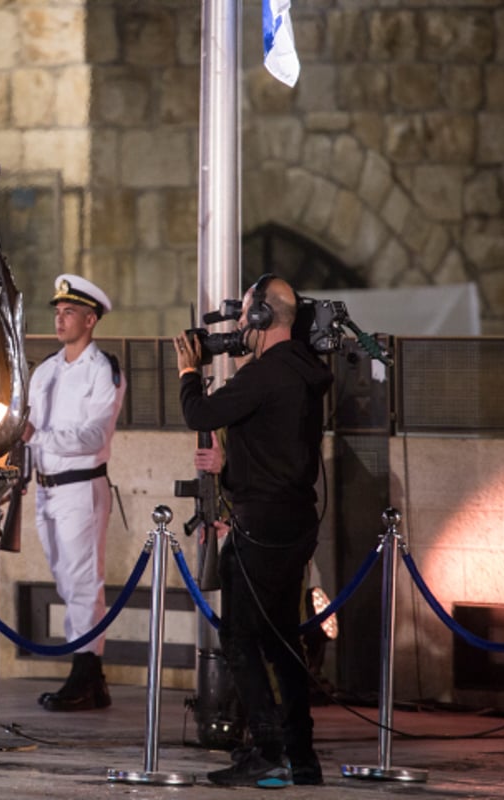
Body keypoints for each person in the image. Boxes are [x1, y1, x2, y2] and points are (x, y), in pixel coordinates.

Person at [174, 273, 332, 788]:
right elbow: (273, 444)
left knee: (240, 637)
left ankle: (264, 749)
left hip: (261, 524)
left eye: (245, 315)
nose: (239, 325)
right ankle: (301, 756)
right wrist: (230, 465)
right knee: (283, 640)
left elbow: (199, 410)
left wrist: (188, 369)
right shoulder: (305, 369)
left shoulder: (265, 375)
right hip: (294, 519)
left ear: (264, 317)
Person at [22, 274, 126, 712]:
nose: (60, 319)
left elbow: (92, 435)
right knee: (66, 581)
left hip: (81, 487)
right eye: (58, 312)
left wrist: (38, 437)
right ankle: (89, 674)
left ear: (90, 319)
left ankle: (87, 673)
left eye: (69, 313)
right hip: (46, 487)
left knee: (83, 583)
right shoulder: (45, 370)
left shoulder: (102, 371)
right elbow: (22, 430)